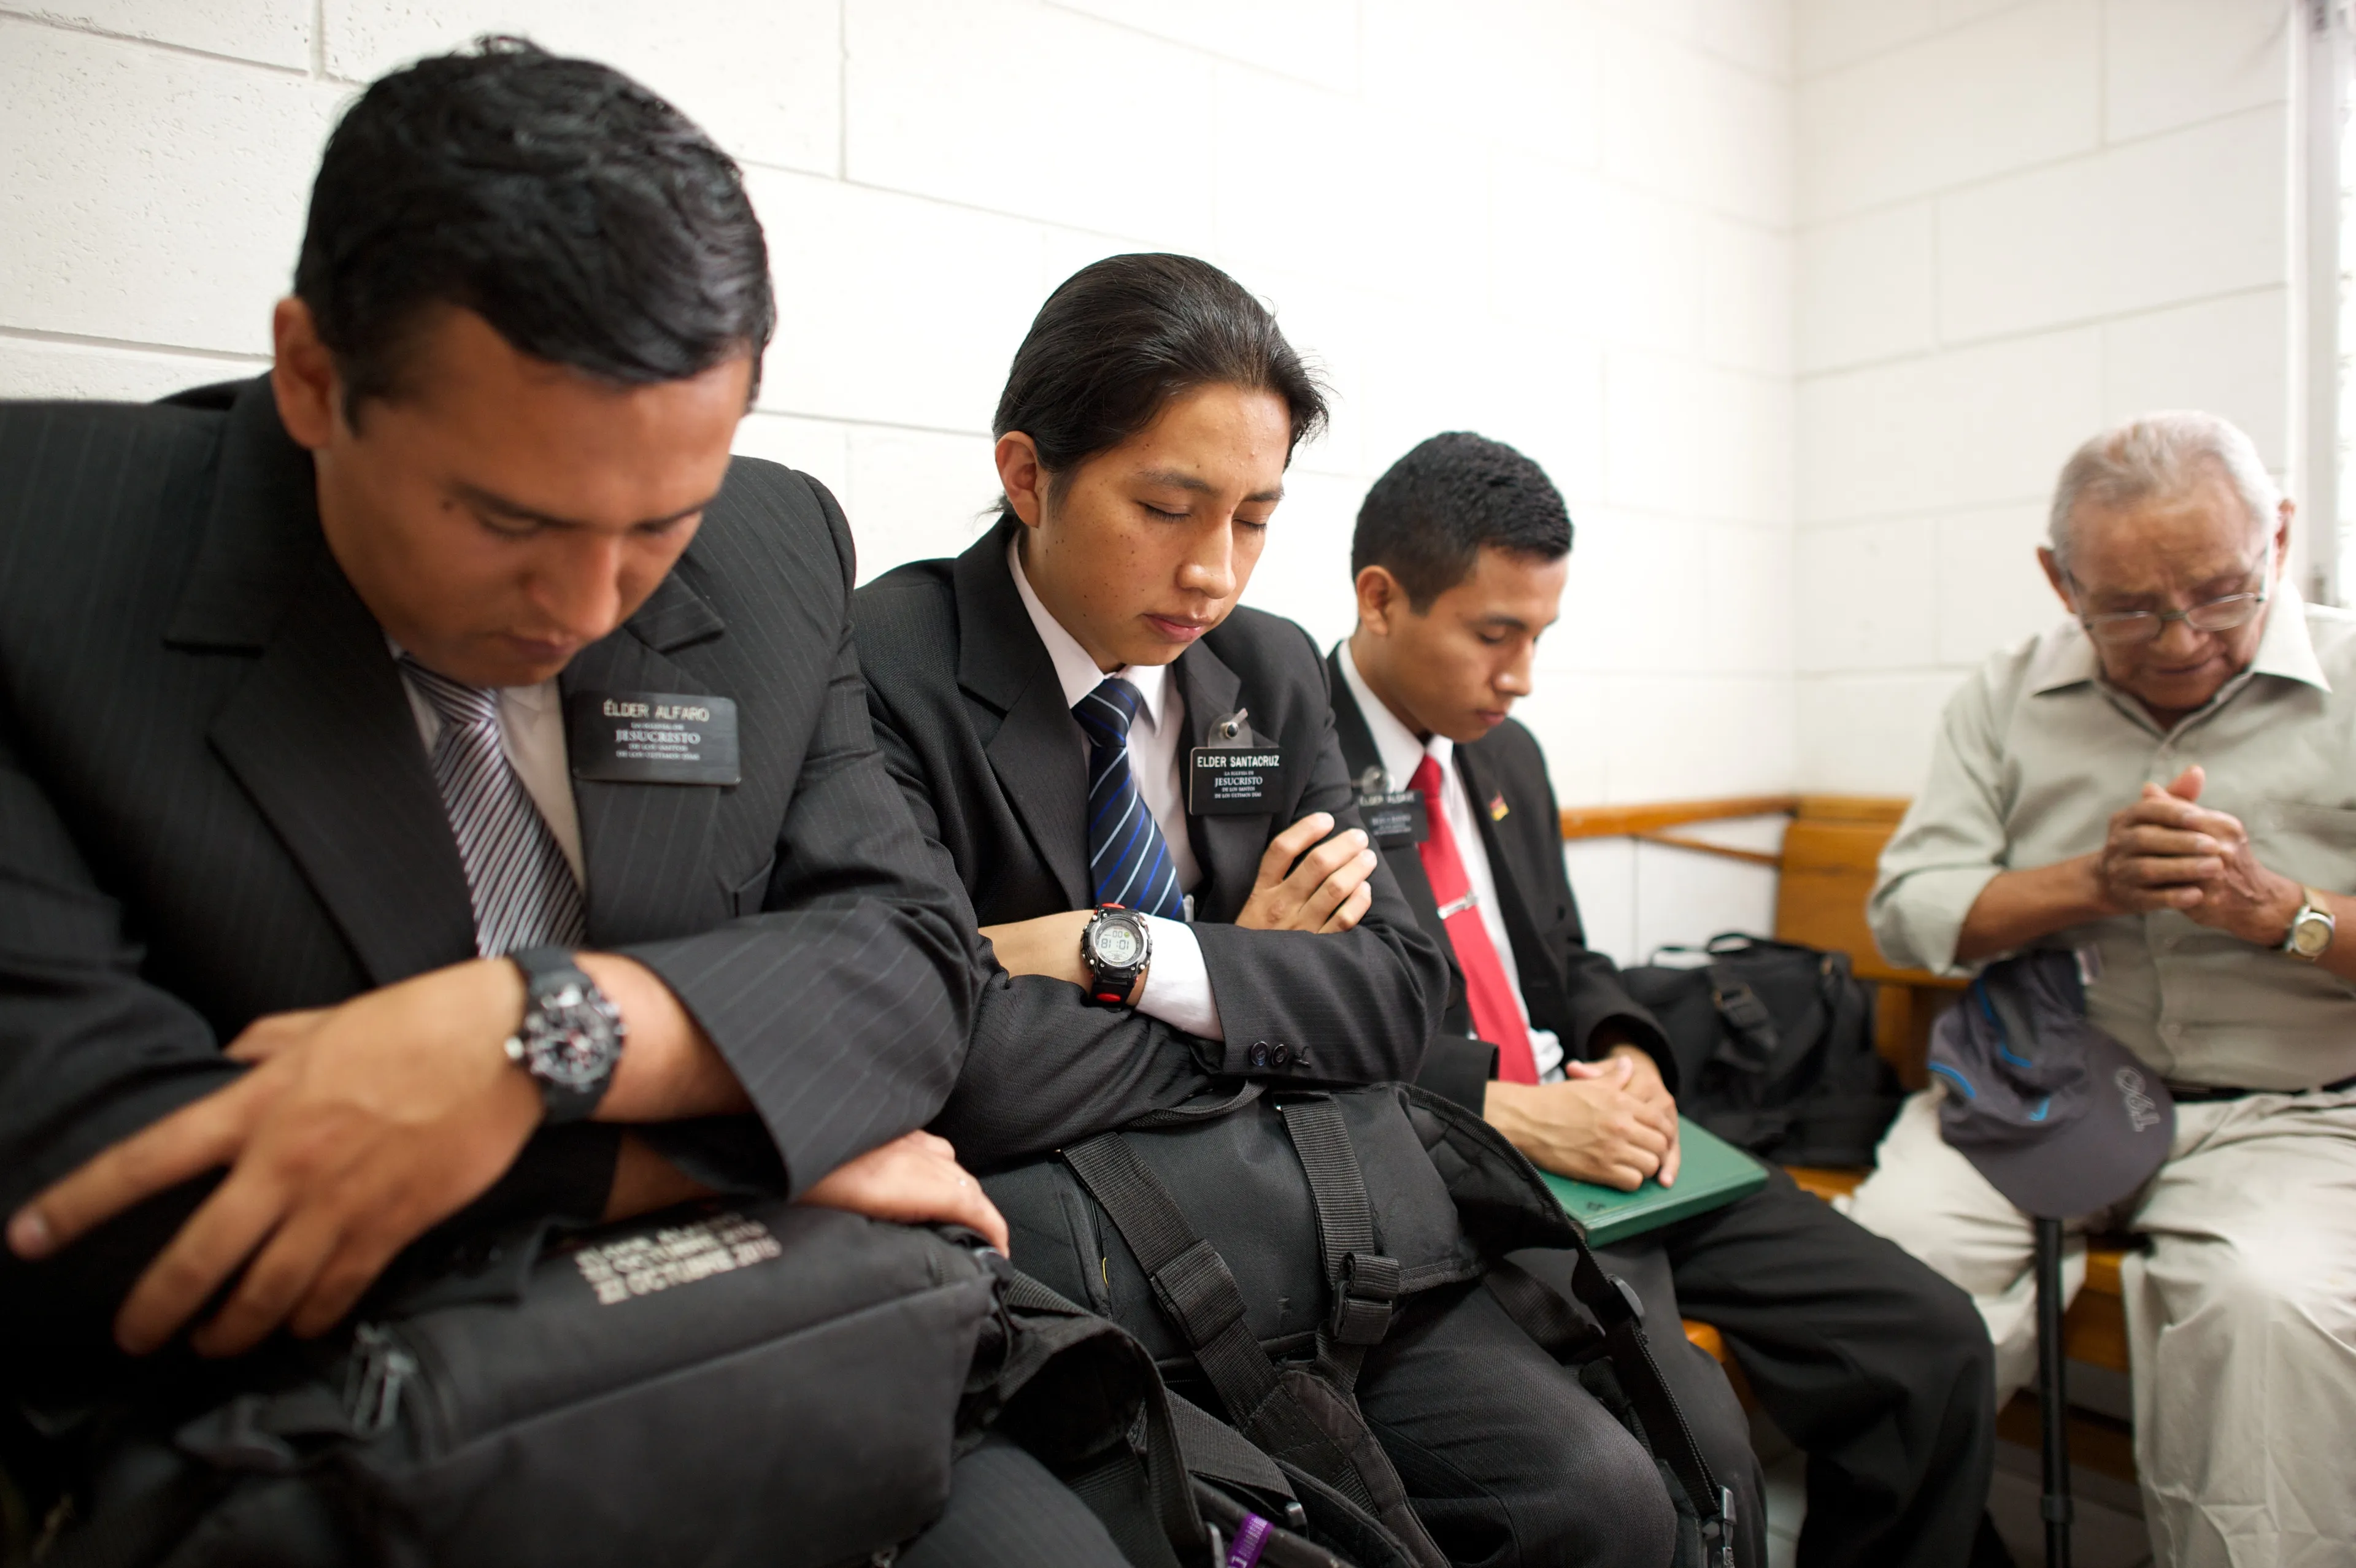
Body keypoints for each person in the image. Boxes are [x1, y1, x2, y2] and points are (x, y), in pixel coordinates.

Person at [0, 41, 1132, 1566]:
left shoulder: (773, 545)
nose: (591, 605)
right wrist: (679, 1148)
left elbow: (913, 966)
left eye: (657, 524)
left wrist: (529, 1035)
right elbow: (76, 1174)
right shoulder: (40, 556)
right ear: (314, 376)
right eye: (506, 521)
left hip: (775, 1334)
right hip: (305, 1421)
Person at [853, 255, 1682, 1568]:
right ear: (1027, 476)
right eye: (1166, 508)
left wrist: (1114, 950)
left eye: (1254, 517)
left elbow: (1403, 995)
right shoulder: (888, 666)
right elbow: (956, 1061)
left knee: (1602, 1501)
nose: (1212, 572)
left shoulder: (1269, 668)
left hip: (1325, 1228)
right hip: (1081, 1275)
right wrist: (1254, 972)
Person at [1330, 432, 2004, 1568]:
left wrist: (1630, 1050)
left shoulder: (1507, 758)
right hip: (1460, 1163)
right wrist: (1501, 1105)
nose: (1523, 675)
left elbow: (1568, 962)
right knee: (1701, 1459)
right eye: (1495, 635)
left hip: (1602, 1127)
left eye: (1540, 636)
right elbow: (1299, 1031)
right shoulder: (1278, 755)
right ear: (1382, 600)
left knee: (1930, 1342)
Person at [1848, 410, 2356, 1568]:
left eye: (2224, 593)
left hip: (2296, 1114)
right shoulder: (2003, 695)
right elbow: (1910, 913)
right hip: (2049, 1082)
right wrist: (2089, 882)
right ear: (2057, 579)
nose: (2181, 639)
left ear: (2279, 535)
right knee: (1891, 1268)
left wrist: (2287, 915)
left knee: (2270, 1311)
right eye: (2128, 607)